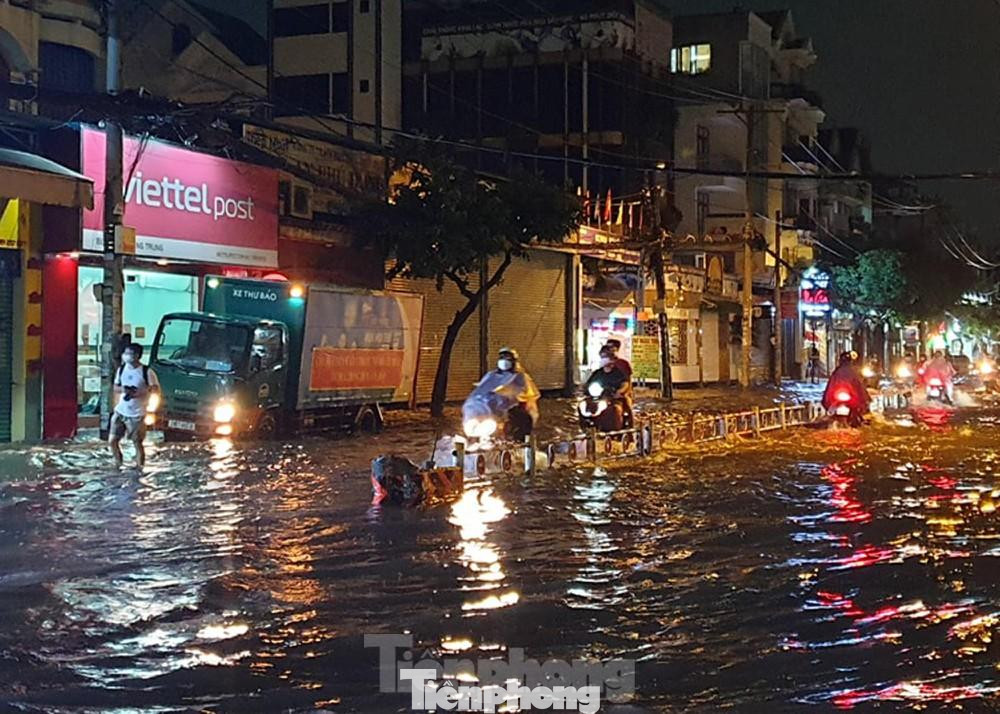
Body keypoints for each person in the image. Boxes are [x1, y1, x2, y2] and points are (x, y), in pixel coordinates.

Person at [468, 347, 540, 439]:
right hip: (492, 410)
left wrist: (509, 396)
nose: (504, 361)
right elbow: (482, 390)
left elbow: (524, 393)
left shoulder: (520, 377)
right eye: (502, 358)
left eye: (508, 358)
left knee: (520, 426)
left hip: (513, 411)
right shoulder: (491, 375)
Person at [109, 343, 159, 468]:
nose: (126, 356)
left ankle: (139, 467)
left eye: (129, 354)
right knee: (112, 440)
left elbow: (155, 389)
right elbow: (115, 387)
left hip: (137, 414)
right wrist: (124, 390)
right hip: (120, 411)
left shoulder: (147, 372)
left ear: (137, 356)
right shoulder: (121, 369)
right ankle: (118, 463)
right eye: (125, 353)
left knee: (137, 442)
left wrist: (141, 392)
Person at [586, 345, 633, 427]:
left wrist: (620, 391)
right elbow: (588, 384)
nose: (603, 359)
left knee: (626, 404)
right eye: (602, 357)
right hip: (599, 397)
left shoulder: (618, 372)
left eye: (606, 357)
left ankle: (629, 425)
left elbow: (625, 383)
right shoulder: (597, 373)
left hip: (614, 397)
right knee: (583, 405)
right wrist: (587, 390)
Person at [822, 351, 870, 416]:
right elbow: (860, 387)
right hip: (847, 396)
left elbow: (829, 387)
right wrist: (865, 399)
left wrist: (825, 401)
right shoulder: (853, 371)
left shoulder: (837, 372)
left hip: (847, 397)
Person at [603, 338, 634, 424]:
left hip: (621, 391)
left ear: (617, 349)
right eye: (608, 347)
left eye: (612, 347)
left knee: (627, 404)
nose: (609, 350)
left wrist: (626, 392)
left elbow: (628, 379)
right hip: (605, 392)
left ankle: (630, 426)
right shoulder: (603, 363)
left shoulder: (623, 363)